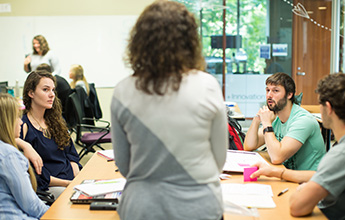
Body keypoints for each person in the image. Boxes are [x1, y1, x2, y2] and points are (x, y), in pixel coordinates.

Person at [110, 1, 228, 219]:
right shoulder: (207, 86)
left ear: (139, 42)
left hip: (142, 209)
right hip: (199, 207)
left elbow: (125, 166)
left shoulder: (122, 92)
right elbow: (219, 161)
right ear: (190, 42)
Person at [250, 73, 345, 219]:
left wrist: (303, 188)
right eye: (267, 90)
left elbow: (297, 207)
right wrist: (278, 173)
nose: (269, 95)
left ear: (328, 108)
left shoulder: (339, 154)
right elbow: (320, 175)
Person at [17, 70, 82, 199]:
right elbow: (36, 175)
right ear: (31, 93)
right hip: (51, 187)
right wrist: (67, 183)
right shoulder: (23, 126)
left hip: (71, 179)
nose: (52, 95)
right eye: (46, 90)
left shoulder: (56, 120)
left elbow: (71, 153)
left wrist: (77, 175)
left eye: (53, 90)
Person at [243, 72, 325, 170]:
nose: (269, 95)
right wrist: (257, 120)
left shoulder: (303, 121)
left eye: (275, 91)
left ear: (289, 94)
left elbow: (277, 158)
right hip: (288, 175)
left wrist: (266, 123)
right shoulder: (275, 117)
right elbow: (249, 146)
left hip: (308, 181)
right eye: (267, 90)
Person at [0, 93, 49, 219]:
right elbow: (31, 205)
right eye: (17, 117)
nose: (21, 122)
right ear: (7, 121)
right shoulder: (9, 155)